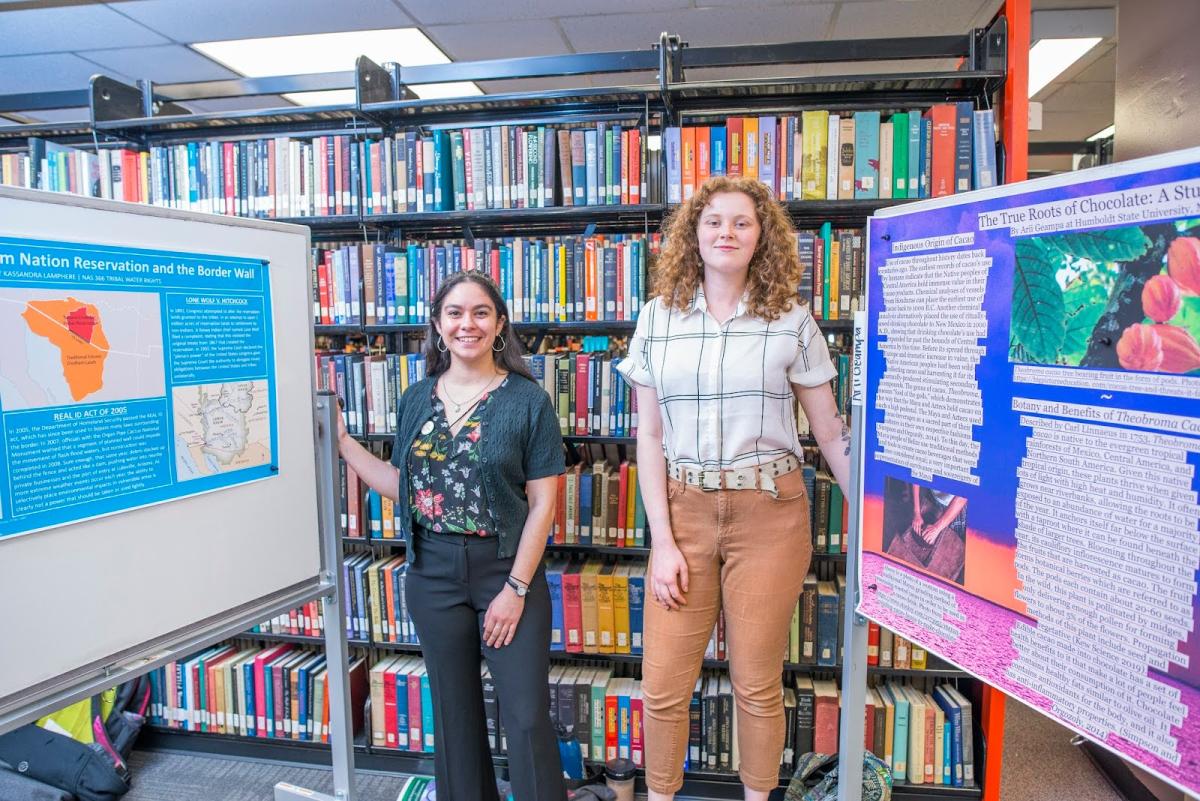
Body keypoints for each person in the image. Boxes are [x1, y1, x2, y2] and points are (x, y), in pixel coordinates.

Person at [616, 176, 851, 801]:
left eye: (741, 222)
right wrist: (661, 542)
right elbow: (649, 435)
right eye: (713, 220)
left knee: (756, 683)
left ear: (761, 236)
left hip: (770, 514)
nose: (726, 232)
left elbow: (828, 431)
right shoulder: (656, 318)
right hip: (684, 514)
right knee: (664, 684)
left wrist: (877, 518)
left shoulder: (791, 320)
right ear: (692, 234)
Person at [335, 271, 566, 801]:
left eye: (481, 312)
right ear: (438, 325)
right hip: (432, 574)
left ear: (499, 324)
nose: (468, 324)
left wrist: (515, 588)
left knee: (527, 717)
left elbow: (544, 504)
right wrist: (345, 443)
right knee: (456, 718)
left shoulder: (527, 401)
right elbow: (407, 486)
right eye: (455, 313)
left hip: (505, 571)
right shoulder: (417, 399)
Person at [885, 483, 967, 583]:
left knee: (949, 555)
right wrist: (917, 512)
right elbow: (916, 476)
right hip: (933, 498)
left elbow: (964, 494)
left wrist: (937, 527)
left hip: (954, 508)